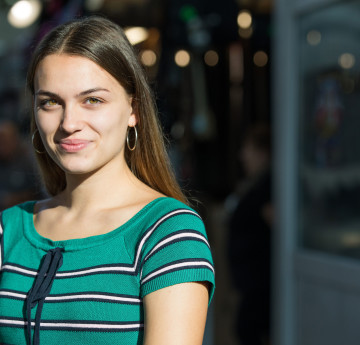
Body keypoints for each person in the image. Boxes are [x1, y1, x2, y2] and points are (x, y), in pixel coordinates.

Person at [0, 16, 215, 345]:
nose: (69, 122)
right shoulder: (9, 230)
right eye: (50, 102)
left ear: (134, 110)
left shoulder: (167, 233)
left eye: (92, 100)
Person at [227, 123, 272, 345]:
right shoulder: (256, 184)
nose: (242, 156)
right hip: (251, 284)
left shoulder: (270, 186)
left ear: (263, 153)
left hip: (260, 285)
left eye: (248, 149)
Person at [0, 120, 39, 210]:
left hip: (27, 210)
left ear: (15, 139)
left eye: (5, 140)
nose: (2, 145)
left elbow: (39, 191)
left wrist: (17, 198)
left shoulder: (30, 160)